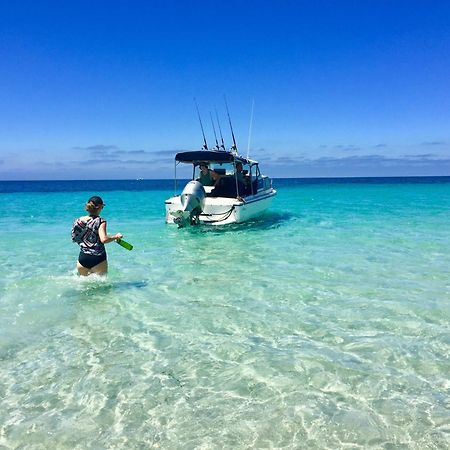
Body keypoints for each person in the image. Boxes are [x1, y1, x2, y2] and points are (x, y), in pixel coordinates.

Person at [74, 195, 123, 277]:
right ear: (100, 207)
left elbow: (75, 238)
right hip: (98, 258)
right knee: (103, 286)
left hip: (83, 257)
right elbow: (104, 239)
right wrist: (116, 236)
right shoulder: (100, 221)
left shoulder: (78, 221)